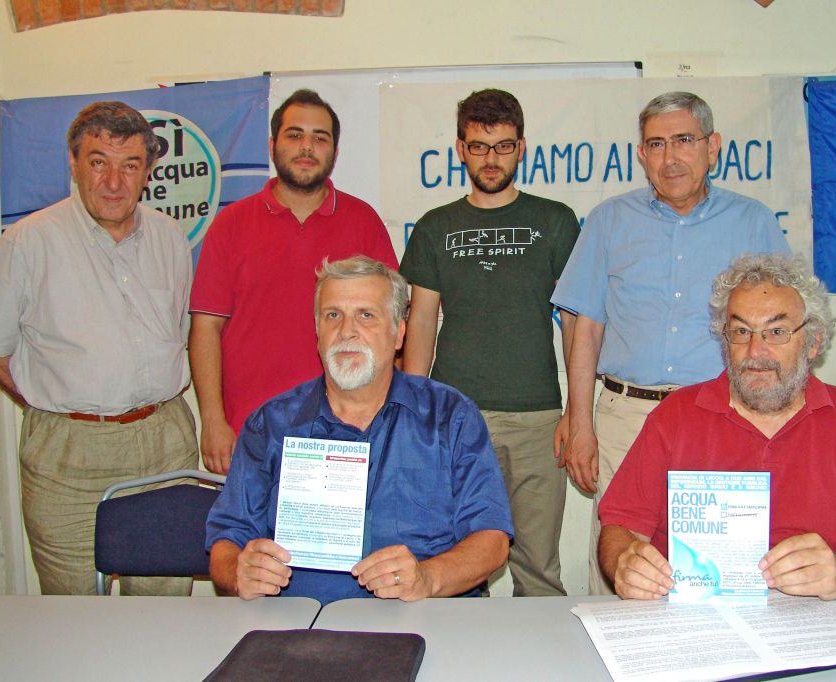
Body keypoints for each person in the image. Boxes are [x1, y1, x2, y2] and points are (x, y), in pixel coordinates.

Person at [551, 91, 791, 593]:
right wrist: (580, 423)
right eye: (656, 145)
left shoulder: (753, 222)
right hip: (626, 417)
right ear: (641, 155)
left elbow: (782, 327)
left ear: (712, 147)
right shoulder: (608, 221)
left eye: (684, 140)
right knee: (620, 566)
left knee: (720, 573)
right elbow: (585, 328)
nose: (670, 158)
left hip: (721, 419)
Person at [599, 253, 836, 601]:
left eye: (776, 332)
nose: (755, 351)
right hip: (700, 618)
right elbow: (619, 528)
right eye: (741, 331)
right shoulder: (675, 417)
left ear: (813, 343)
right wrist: (626, 563)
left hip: (824, 616)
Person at [0, 101, 199, 595]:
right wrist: (60, 404)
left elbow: (180, 331)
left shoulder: (170, 238)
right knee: (73, 609)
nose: (114, 182)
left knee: (164, 606)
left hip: (164, 443)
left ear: (148, 172)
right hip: (67, 457)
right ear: (74, 164)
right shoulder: (28, 241)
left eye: (130, 165)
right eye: (99, 162)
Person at [207, 256, 513, 604]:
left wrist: (428, 578)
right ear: (317, 332)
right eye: (333, 315)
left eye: (366, 315)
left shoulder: (450, 417)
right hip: (302, 620)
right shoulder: (271, 425)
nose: (347, 331)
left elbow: (492, 540)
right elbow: (226, 539)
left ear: (399, 333)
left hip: (424, 617)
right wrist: (239, 572)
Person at [400, 89, 579, 596]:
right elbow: (421, 322)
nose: (491, 159)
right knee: (455, 569)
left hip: (537, 419)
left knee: (538, 571)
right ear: (461, 149)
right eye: (479, 146)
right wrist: (412, 410)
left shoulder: (555, 221)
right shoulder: (436, 227)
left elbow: (575, 323)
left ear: (521, 148)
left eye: (503, 146)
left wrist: (576, 411)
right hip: (455, 419)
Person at [190, 89, 398, 475]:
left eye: (320, 138)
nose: (307, 147)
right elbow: (205, 328)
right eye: (295, 135)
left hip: (347, 434)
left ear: (335, 152)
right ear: (272, 145)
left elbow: (390, 325)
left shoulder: (363, 221)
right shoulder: (230, 224)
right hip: (251, 431)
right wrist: (213, 421)